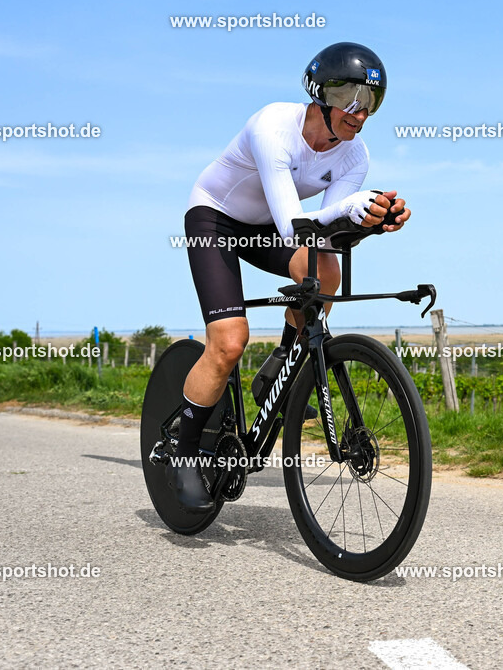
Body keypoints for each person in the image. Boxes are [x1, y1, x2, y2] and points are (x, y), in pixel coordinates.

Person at [171, 42, 410, 512]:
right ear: (321, 92)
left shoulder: (354, 157)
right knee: (229, 342)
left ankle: (284, 355)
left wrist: (370, 223)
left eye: (372, 103)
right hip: (215, 219)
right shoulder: (273, 126)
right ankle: (184, 451)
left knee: (326, 272)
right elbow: (291, 225)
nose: (360, 113)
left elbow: (324, 234)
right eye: (351, 98)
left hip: (265, 229)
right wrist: (352, 210)